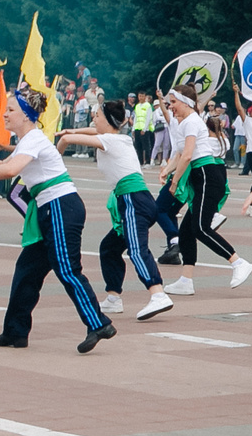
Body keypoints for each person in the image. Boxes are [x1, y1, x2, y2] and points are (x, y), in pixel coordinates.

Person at [0, 87, 114, 354]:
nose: (5, 115)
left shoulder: (34, 139)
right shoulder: (28, 140)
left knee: (67, 269)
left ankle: (98, 323)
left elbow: (10, 170)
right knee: (27, 271)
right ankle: (15, 332)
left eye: (11, 110)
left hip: (60, 207)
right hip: (50, 208)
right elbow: (4, 164)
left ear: (26, 115)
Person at [59, 98, 173, 322]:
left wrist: (57, 155)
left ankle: (158, 293)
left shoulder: (110, 140)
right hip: (132, 200)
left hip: (133, 201)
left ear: (108, 121)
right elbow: (88, 131)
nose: (94, 119)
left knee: (136, 249)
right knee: (110, 248)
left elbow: (67, 139)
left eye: (97, 116)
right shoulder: (118, 137)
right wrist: (73, 128)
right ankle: (113, 297)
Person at [157, 90, 252, 292]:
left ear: (184, 102)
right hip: (200, 176)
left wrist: (174, 182)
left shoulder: (192, 121)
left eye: (173, 102)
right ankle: (186, 280)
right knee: (186, 232)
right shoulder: (186, 121)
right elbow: (181, 153)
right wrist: (167, 170)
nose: (171, 106)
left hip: (206, 175)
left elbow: (187, 156)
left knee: (200, 228)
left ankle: (238, 262)